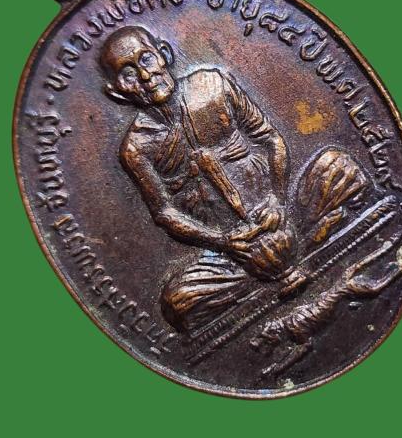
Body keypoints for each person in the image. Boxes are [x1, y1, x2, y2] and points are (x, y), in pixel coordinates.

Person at [100, 26, 306, 334]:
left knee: (339, 170)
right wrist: (223, 242)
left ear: (164, 55)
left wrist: (278, 198)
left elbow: (271, 139)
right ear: (117, 91)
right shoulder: (136, 148)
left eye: (146, 60)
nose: (144, 77)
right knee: (178, 303)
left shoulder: (212, 84)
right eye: (128, 74)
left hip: (277, 214)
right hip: (232, 253)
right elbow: (165, 212)